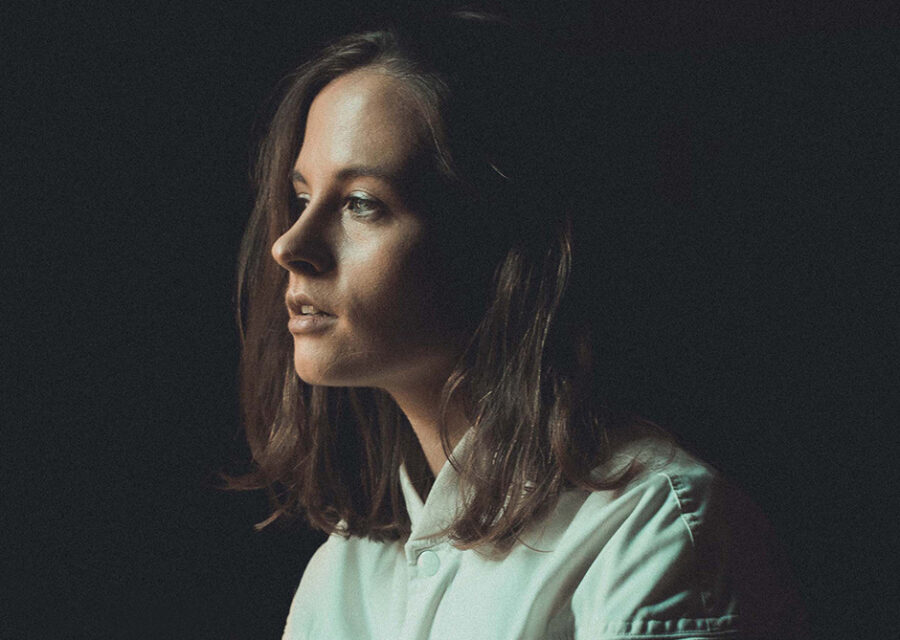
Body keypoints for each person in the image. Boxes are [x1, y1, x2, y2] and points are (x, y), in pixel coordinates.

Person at [234, 11, 808, 640]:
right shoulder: (346, 571)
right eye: (301, 198)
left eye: (361, 203)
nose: (289, 245)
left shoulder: (653, 532)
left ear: (500, 243)